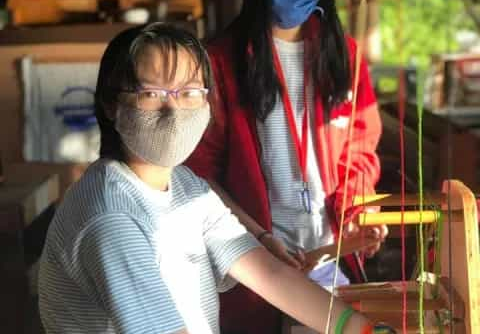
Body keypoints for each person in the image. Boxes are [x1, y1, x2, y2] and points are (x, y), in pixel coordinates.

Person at [37, 23, 379, 334]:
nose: (174, 110)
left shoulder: (187, 188)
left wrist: (364, 330)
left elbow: (269, 274)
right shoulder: (110, 216)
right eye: (152, 94)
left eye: (189, 93)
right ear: (112, 104)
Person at [185, 0, 389, 333]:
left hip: (329, 257)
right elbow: (200, 174)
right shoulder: (219, 61)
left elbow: (359, 148)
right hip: (252, 264)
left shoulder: (345, 54)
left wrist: (356, 208)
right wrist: (259, 239)